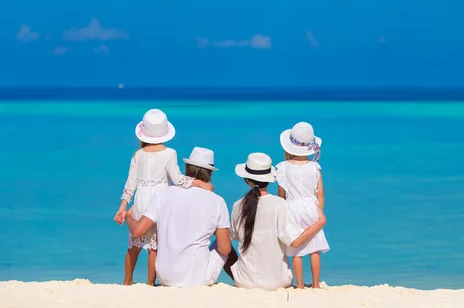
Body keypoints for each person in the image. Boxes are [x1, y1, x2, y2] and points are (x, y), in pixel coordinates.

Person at [113, 109, 213, 285]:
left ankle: (127, 281)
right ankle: (150, 283)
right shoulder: (170, 153)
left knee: (134, 245)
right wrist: (200, 183)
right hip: (160, 201)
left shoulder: (138, 155)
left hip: (141, 200)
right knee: (154, 247)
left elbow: (130, 185)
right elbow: (178, 179)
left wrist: (122, 208)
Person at [125, 147, 231, 287]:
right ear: (210, 173)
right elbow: (224, 249)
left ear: (186, 168)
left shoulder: (162, 194)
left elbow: (137, 231)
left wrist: (127, 216)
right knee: (223, 245)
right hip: (199, 278)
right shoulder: (218, 201)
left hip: (165, 277)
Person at [225, 152, 327, 290]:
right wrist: (319, 224)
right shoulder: (279, 204)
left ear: (247, 180)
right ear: (268, 179)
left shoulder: (238, 205)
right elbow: (295, 241)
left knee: (219, 242)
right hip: (277, 282)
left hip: (243, 281)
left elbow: (233, 236)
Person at [276, 122, 329, 288]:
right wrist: (318, 209)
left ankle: (299, 285)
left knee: (295, 250)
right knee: (315, 248)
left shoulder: (282, 167)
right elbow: (320, 192)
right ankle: (315, 284)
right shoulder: (315, 167)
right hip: (310, 206)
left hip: (292, 207)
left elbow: (281, 195)